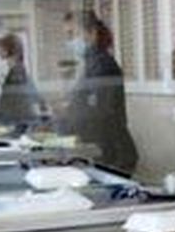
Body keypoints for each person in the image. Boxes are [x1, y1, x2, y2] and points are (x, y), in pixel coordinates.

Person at [56, 11, 139, 173]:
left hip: (112, 153)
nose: (69, 41)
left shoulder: (102, 65)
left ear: (92, 33)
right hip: (100, 150)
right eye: (67, 35)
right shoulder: (91, 63)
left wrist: (67, 113)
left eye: (72, 34)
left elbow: (99, 113)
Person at [0, 32, 44, 129]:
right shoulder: (19, 72)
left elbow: (11, 104)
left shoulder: (17, 75)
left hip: (20, 125)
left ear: (8, 50)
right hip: (22, 124)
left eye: (0, 48)